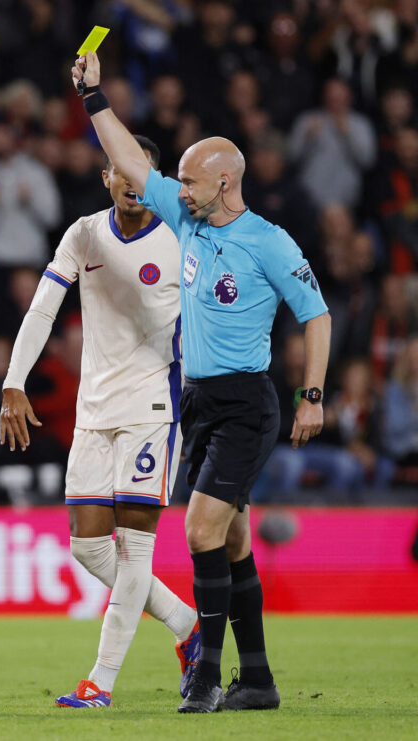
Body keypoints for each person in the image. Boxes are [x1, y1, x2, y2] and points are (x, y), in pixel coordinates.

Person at [72, 51, 331, 713]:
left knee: (198, 530)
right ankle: (261, 681)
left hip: (249, 401)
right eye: (178, 180)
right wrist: (95, 99)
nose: (175, 191)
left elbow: (317, 314)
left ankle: (206, 675)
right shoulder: (187, 218)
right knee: (234, 540)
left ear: (223, 182)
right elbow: (132, 164)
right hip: (198, 401)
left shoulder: (270, 241)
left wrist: (313, 394)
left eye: (188, 181)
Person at [0, 135, 200, 710]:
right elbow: (43, 306)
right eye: (120, 168)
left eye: (142, 169)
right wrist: (14, 380)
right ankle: (189, 625)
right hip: (94, 410)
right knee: (88, 548)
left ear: (156, 178)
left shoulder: (180, 236)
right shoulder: (84, 233)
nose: (131, 179)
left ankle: (100, 683)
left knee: (136, 551)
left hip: (154, 407)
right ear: (105, 177)